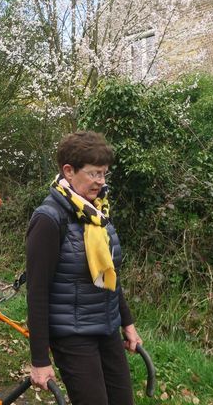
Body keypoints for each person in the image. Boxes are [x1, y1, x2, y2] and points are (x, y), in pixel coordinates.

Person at [26, 131, 142, 405]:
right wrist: (40, 361)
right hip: (72, 335)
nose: (101, 182)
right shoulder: (48, 219)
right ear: (68, 171)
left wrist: (127, 323)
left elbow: (109, 276)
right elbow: (37, 292)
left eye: (104, 174)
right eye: (94, 174)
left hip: (106, 327)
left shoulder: (98, 214)